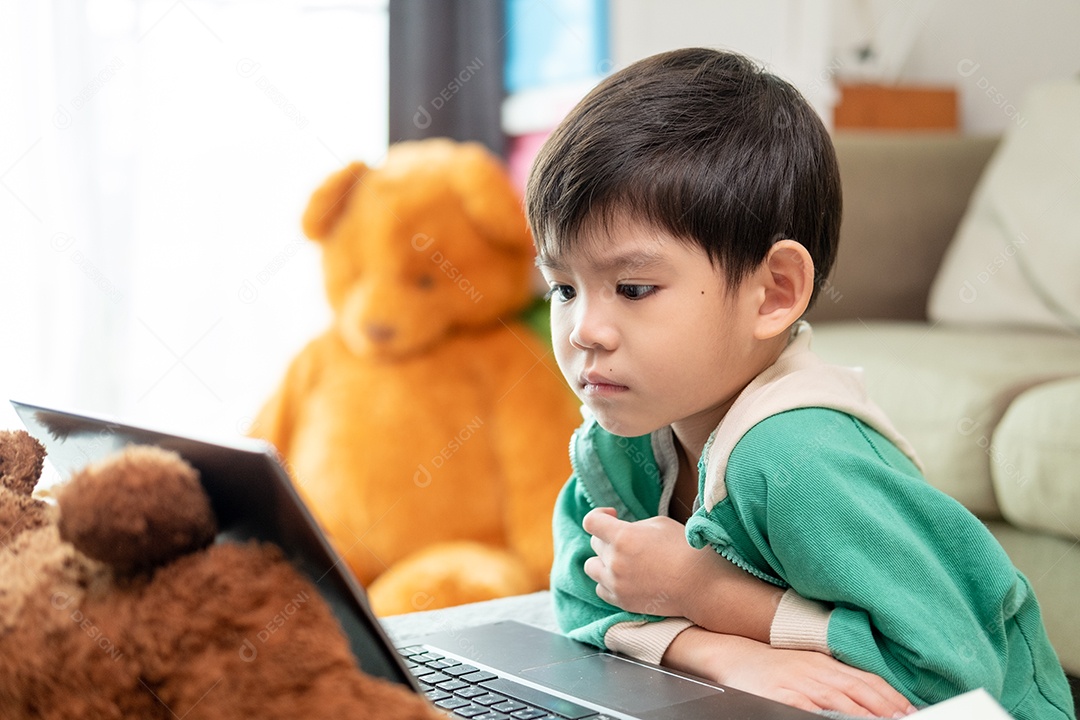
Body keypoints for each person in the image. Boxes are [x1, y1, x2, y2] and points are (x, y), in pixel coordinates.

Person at [525, 47, 1076, 720]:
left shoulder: (797, 458)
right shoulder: (622, 439)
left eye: (633, 288)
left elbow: (949, 677)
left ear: (773, 293)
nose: (584, 330)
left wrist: (705, 594)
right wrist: (722, 653)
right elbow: (578, 596)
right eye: (563, 288)